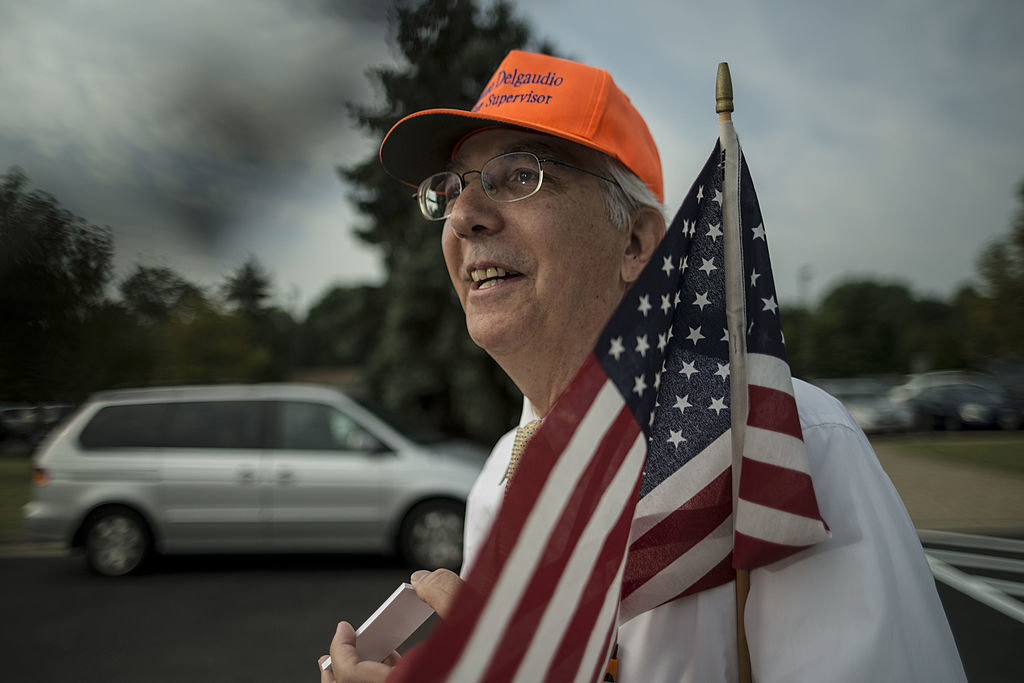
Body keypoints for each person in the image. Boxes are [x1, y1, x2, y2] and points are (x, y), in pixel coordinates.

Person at [322, 50, 966, 682]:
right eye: (451, 186)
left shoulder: (779, 440)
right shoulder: (497, 477)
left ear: (636, 243)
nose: (463, 215)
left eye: (520, 175)